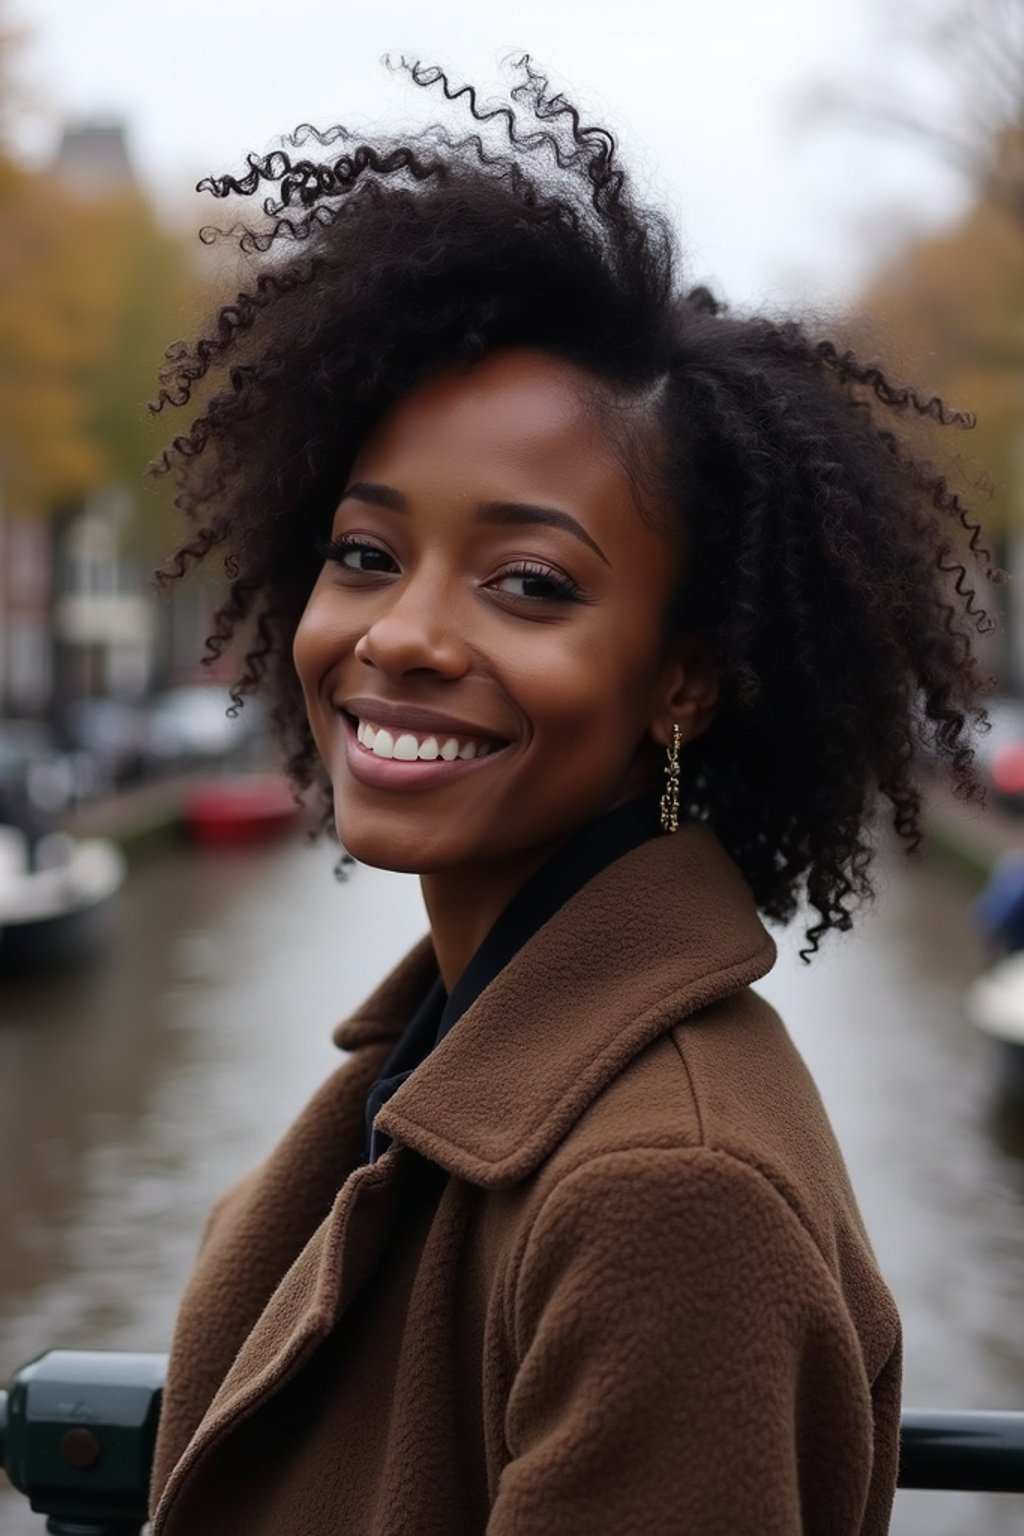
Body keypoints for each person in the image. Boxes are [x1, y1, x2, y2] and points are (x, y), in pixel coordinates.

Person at [145, 59, 996, 1536]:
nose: (400, 633)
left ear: (682, 681)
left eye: (528, 583)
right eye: (364, 554)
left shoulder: (673, 1198)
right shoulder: (435, 1063)